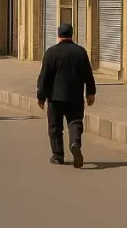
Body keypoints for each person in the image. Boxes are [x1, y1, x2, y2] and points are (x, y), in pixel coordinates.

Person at [36, 22, 96, 168]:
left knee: (55, 127)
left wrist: (41, 96)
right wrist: (90, 92)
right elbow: (88, 74)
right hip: (75, 96)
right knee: (75, 122)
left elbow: (44, 76)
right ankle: (75, 143)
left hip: (55, 98)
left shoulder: (51, 52)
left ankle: (58, 156)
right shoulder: (80, 52)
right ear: (72, 34)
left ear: (58, 35)